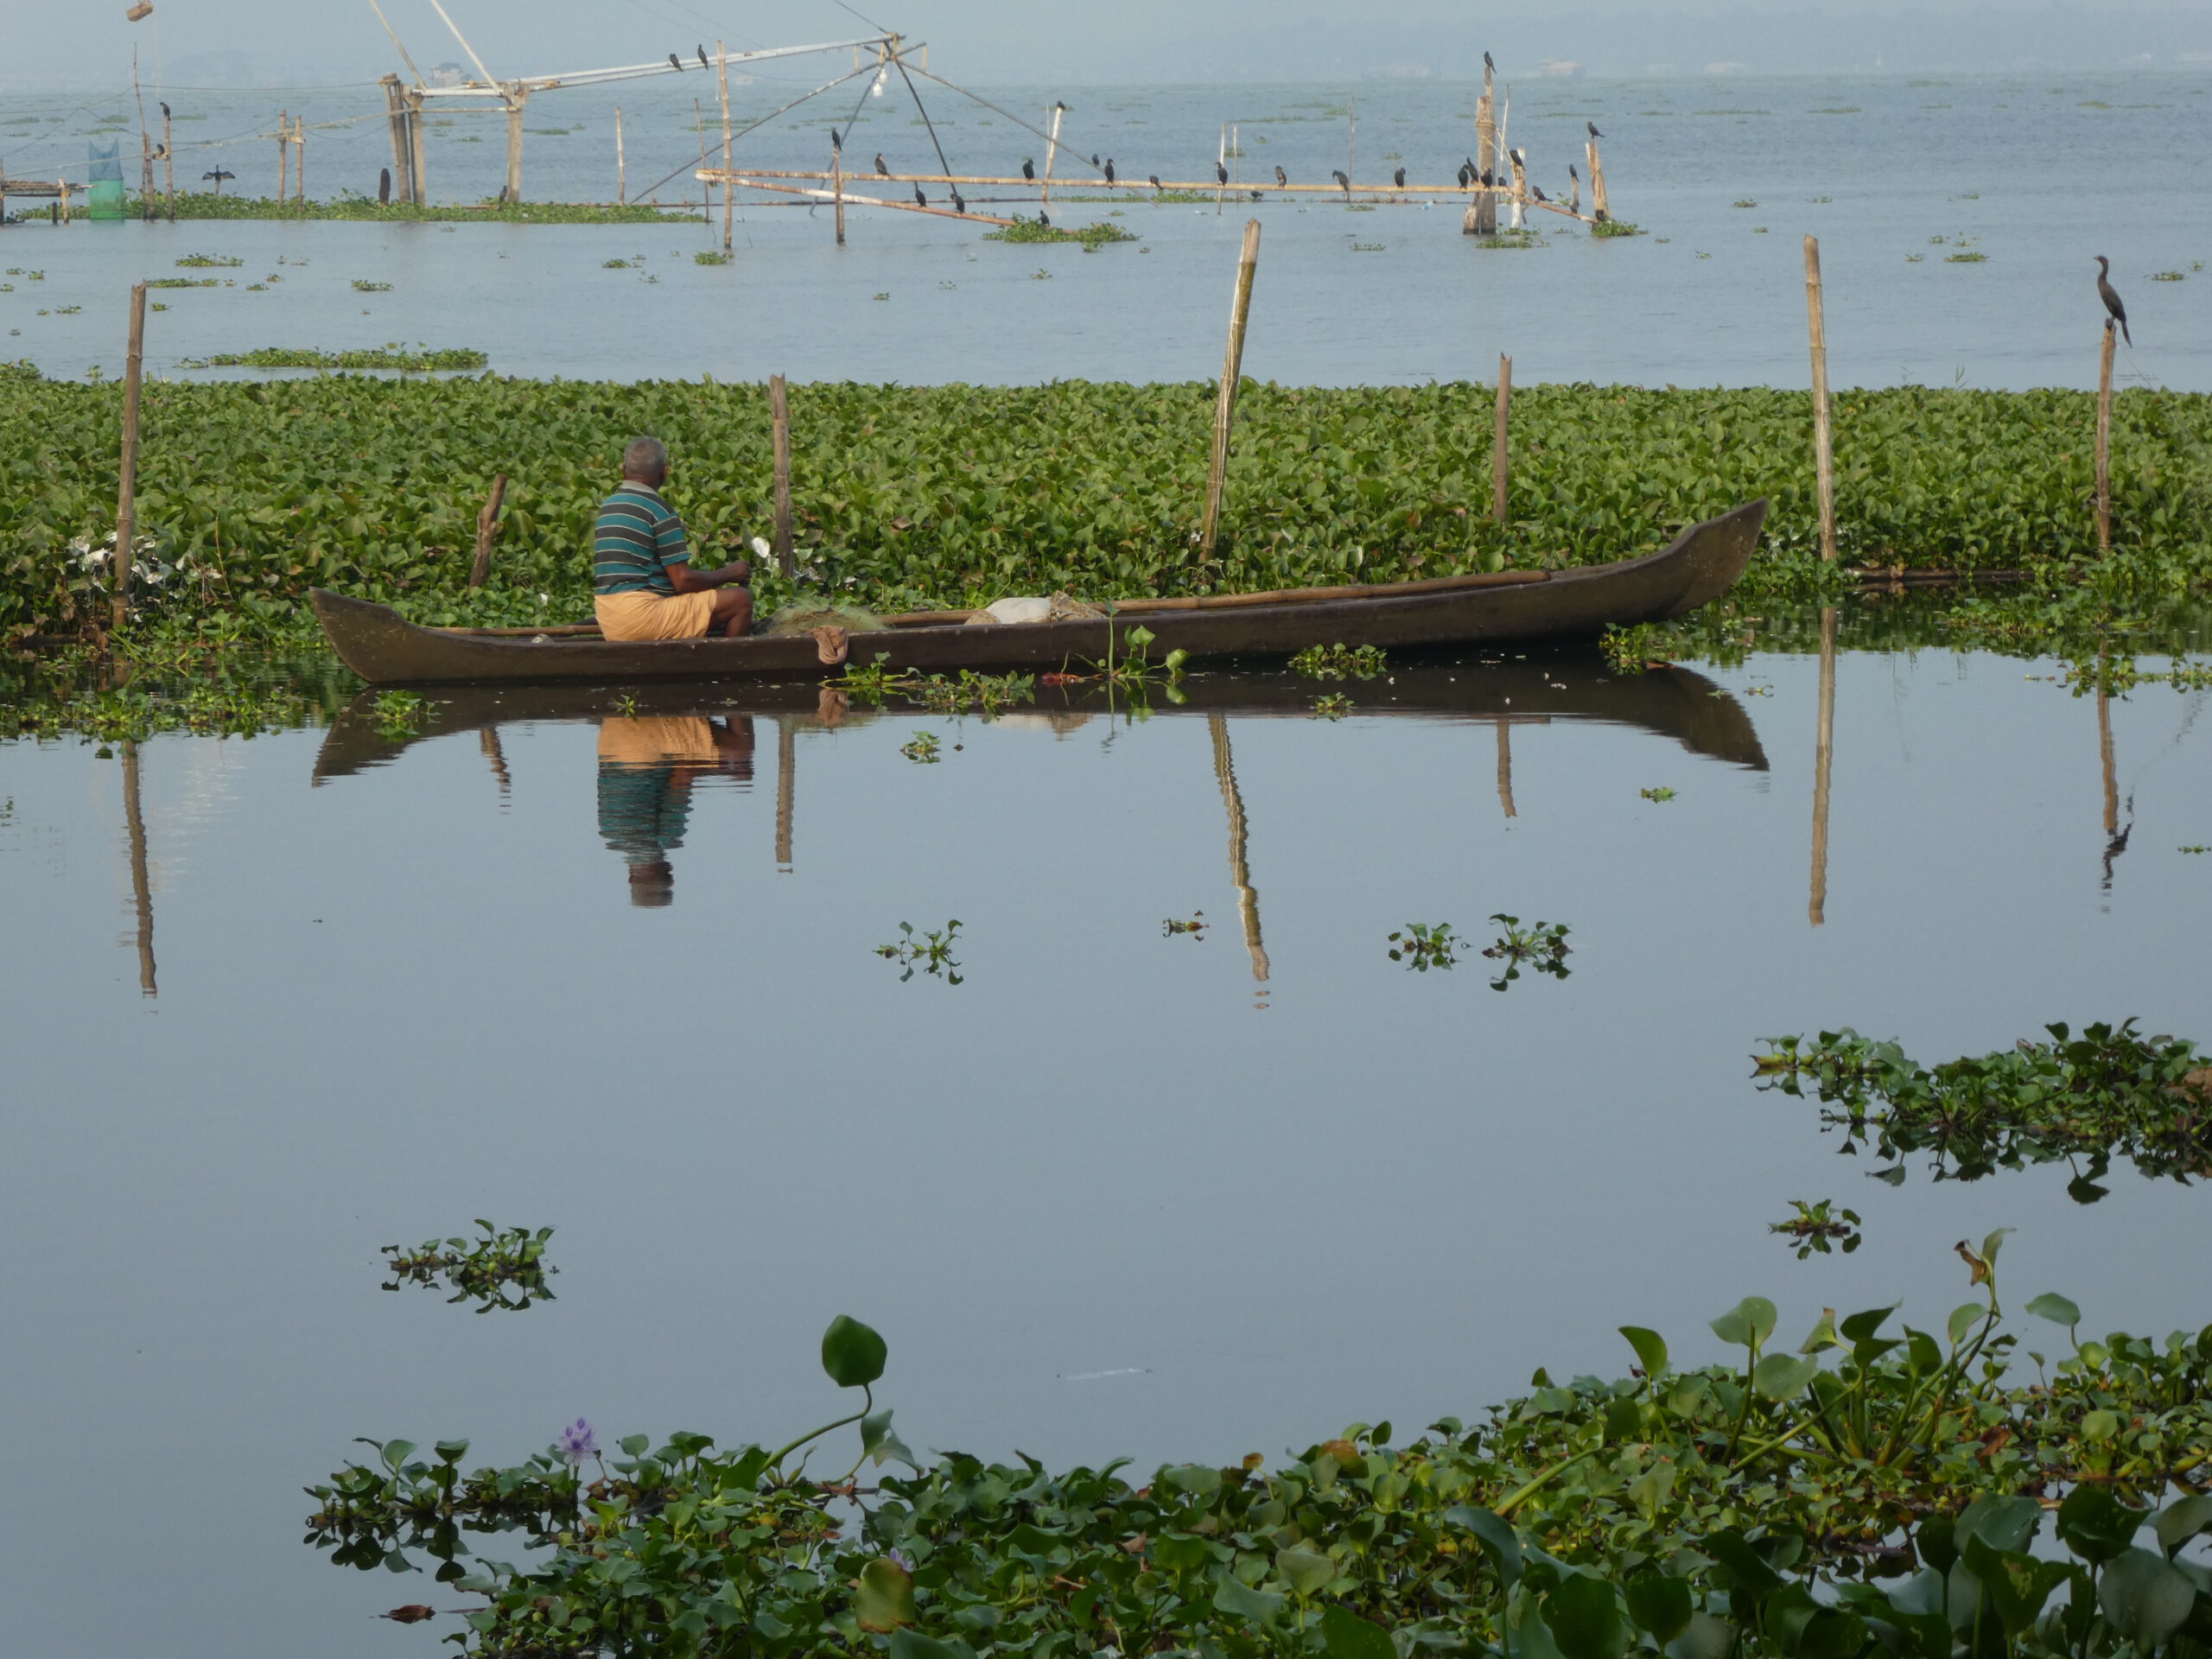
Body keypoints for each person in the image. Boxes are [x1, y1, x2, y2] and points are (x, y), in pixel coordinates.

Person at [593, 435, 753, 640]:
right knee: (740, 600)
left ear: (624, 470)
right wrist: (730, 573)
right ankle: (731, 662)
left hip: (609, 617)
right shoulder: (659, 510)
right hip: (642, 618)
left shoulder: (607, 507)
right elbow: (683, 582)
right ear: (665, 472)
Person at [596, 712, 756, 906]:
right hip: (612, 734)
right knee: (695, 742)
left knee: (740, 749)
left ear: (670, 874)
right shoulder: (609, 834)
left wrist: (732, 770)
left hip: (645, 741)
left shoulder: (666, 838)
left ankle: (735, 699)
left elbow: (684, 772)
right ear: (630, 877)